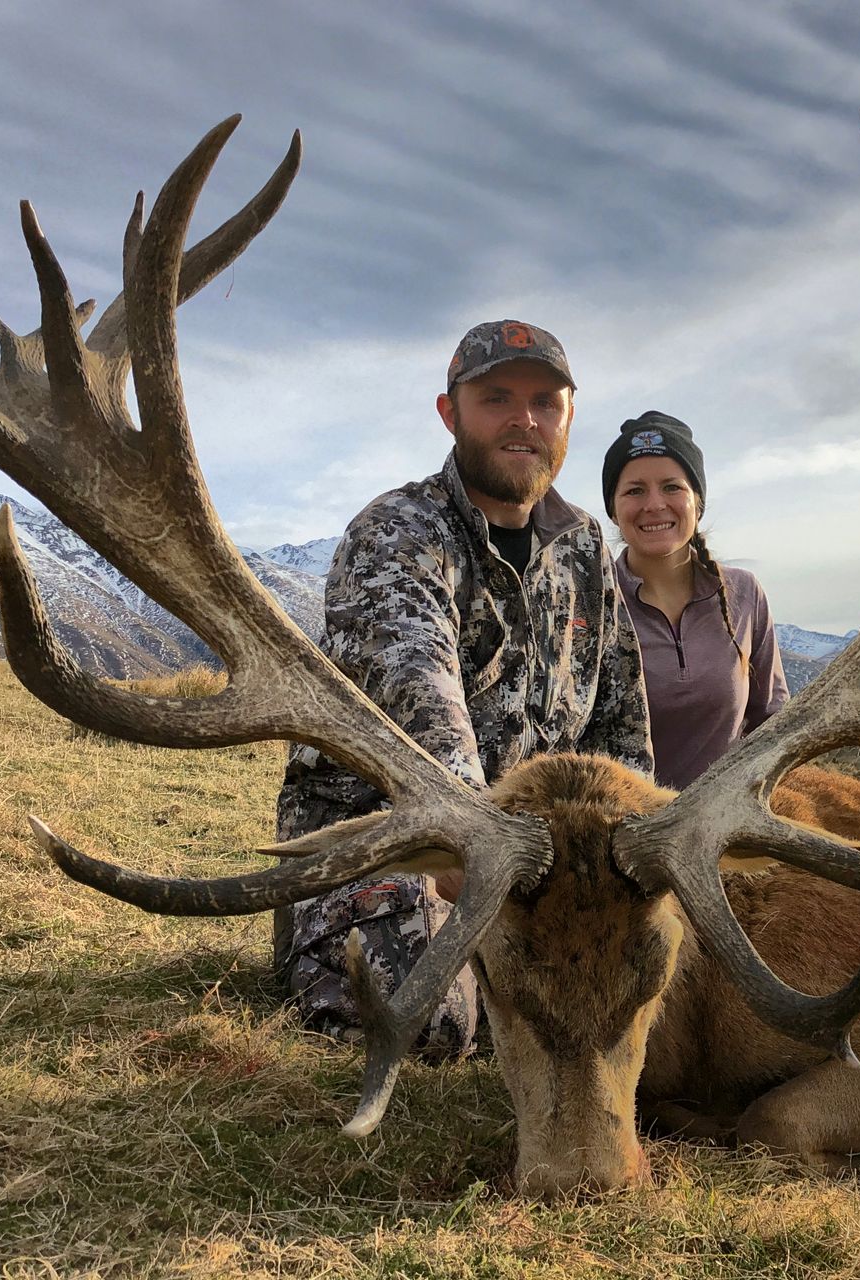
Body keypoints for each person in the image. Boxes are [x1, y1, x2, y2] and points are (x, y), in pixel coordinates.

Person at [274, 320, 654, 1051]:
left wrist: (632, 864)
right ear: (450, 414)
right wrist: (481, 845)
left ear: (569, 417)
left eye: (547, 401)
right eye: (497, 398)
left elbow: (619, 729)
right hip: (405, 853)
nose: (526, 419)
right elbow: (421, 697)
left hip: (533, 873)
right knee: (434, 1025)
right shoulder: (397, 532)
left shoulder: (582, 547)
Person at [601, 411, 787, 790]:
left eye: (672, 487)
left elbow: (774, 723)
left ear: (697, 503)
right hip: (622, 833)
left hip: (729, 829)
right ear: (613, 509)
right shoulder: (588, 603)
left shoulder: (745, 594)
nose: (654, 504)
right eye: (635, 490)